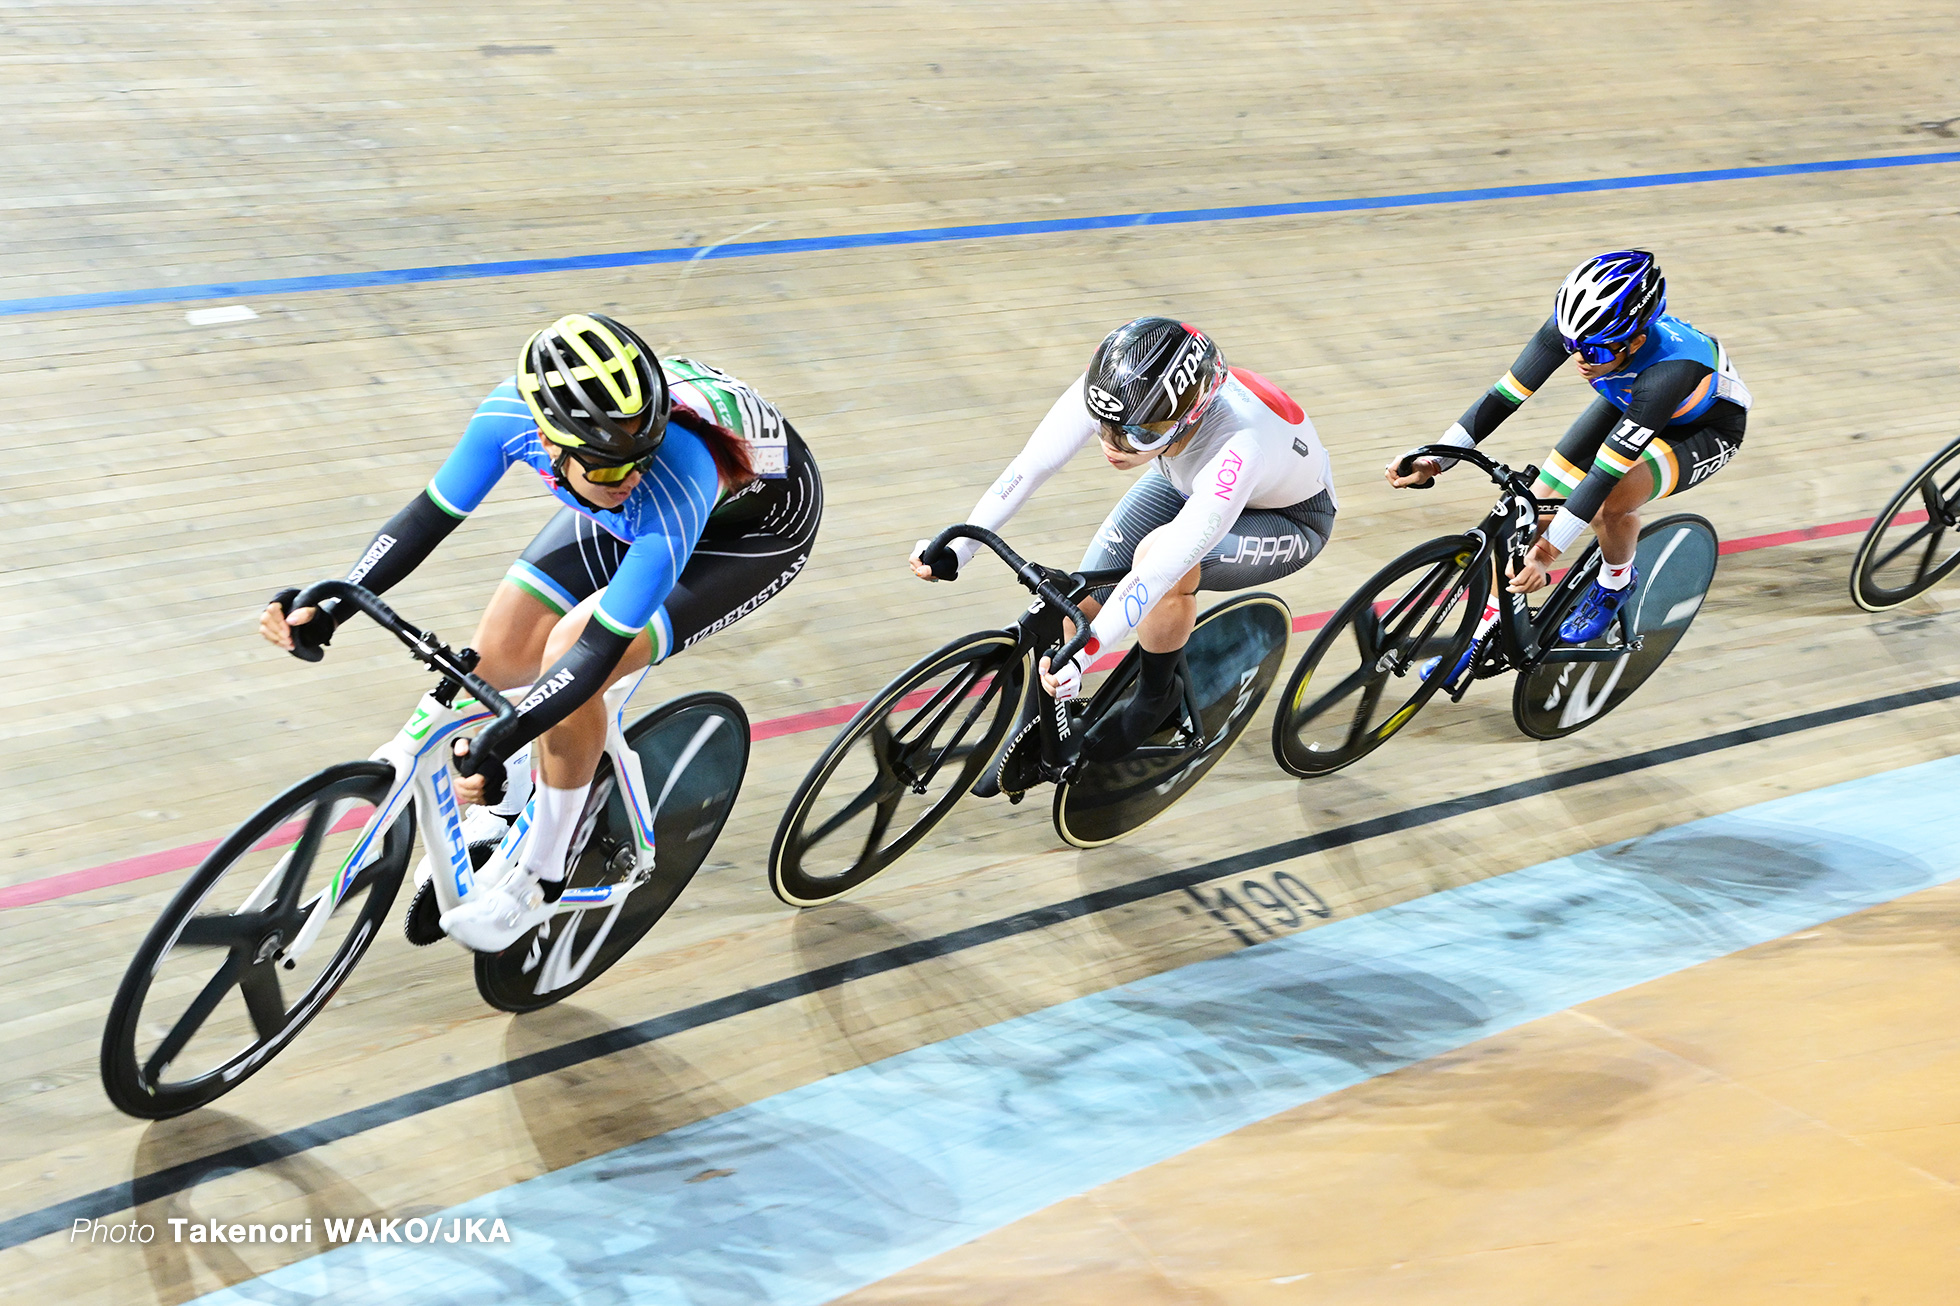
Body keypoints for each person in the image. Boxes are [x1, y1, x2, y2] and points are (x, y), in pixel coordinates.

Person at [261, 313, 822, 950]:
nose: (630, 474)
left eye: (638, 458)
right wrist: (334, 604)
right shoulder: (510, 415)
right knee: (498, 655)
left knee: (569, 655)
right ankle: (508, 807)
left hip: (751, 535)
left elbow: (594, 651)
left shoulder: (667, 470)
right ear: (550, 440)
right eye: (612, 466)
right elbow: (426, 518)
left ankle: (542, 872)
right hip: (640, 516)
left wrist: (510, 729)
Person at [911, 316, 1336, 794]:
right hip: (1188, 479)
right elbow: (1030, 467)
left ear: (1188, 417)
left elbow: (1159, 571)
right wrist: (961, 547)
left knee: (1161, 562)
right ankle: (1033, 736)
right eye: (1104, 428)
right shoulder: (1121, 390)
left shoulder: (1240, 445)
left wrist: (1086, 658)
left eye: (1136, 435)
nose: (1113, 447)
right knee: (1081, 599)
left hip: (1289, 518)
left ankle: (1156, 694)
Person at [1388, 249, 1750, 643]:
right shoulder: (1582, 329)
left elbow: (1602, 475)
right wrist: (1435, 460)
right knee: (1523, 519)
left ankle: (1614, 585)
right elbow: (1503, 397)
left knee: (1611, 503)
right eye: (1572, 343)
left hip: (1704, 428)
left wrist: (1545, 558)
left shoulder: (1671, 369)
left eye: (1593, 351)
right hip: (1627, 403)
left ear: (1637, 341)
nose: (1579, 357)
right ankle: (1480, 639)